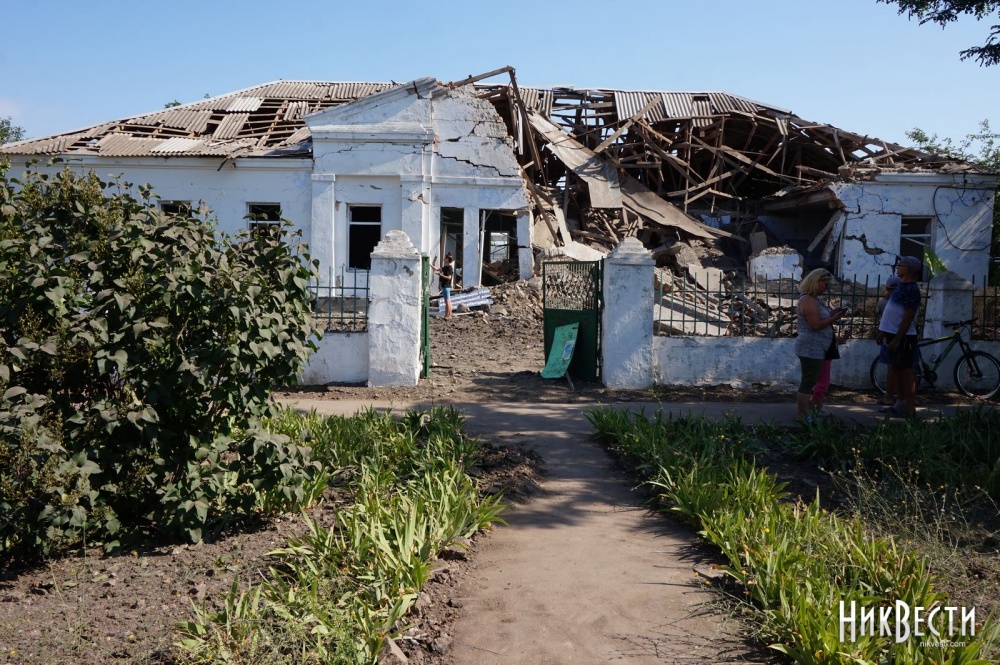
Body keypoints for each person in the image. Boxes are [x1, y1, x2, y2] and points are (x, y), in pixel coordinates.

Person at [794, 269, 848, 421]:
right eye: (825, 283)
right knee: (808, 382)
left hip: (818, 347)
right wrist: (834, 318)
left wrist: (832, 313)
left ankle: (808, 411)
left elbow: (819, 318)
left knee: (812, 380)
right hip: (811, 347)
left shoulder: (815, 299)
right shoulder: (808, 300)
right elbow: (815, 325)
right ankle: (802, 415)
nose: (827, 287)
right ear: (815, 281)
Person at [876, 256, 922, 418]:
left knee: (906, 372)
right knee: (897, 370)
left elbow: (908, 316)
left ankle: (909, 408)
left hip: (903, 338)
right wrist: (883, 331)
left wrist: (897, 339)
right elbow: (893, 312)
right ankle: (900, 403)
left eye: (900, 265)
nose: (897, 267)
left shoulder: (911, 289)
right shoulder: (903, 286)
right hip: (892, 335)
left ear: (907, 268)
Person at [875, 274, 902, 407]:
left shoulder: (885, 302)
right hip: (906, 337)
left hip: (890, 338)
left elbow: (879, 314)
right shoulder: (907, 299)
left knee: (891, 367)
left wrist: (882, 333)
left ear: (887, 288)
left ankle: (890, 397)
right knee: (909, 368)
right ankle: (909, 398)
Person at [434, 252, 454, 320]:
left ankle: (448, 315)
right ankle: (448, 315)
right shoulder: (446, 267)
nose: (444, 259)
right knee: (448, 301)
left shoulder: (449, 268)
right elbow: (437, 269)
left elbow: (449, 277)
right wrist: (430, 264)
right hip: (445, 286)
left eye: (445, 258)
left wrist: (441, 275)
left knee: (447, 301)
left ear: (447, 259)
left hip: (446, 285)